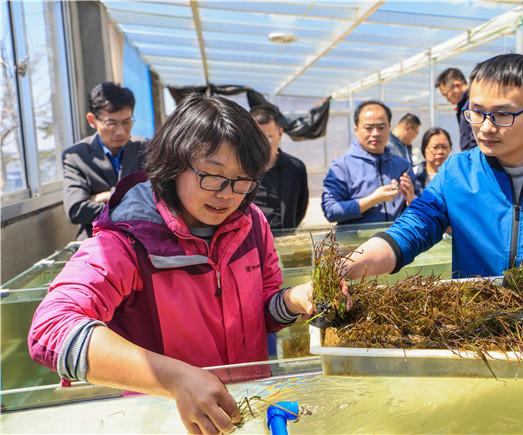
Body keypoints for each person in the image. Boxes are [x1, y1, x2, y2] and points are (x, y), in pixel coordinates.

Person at [29, 95, 316, 434]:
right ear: (175, 163)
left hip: (245, 407)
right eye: (212, 175)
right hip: (167, 419)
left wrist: (293, 300)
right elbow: (49, 329)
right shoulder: (128, 239)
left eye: (243, 180)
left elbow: (263, 312)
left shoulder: (251, 224)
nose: (227, 193)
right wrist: (174, 378)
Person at [344, 54, 523, 310]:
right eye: (477, 111)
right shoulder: (458, 173)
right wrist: (348, 266)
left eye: (503, 115)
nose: (485, 127)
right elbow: (412, 229)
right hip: (480, 329)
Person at [62, 82, 147, 239]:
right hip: (96, 242)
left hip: (141, 238)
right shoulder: (76, 156)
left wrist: (106, 196)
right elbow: (76, 210)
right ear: (92, 120)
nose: (120, 131)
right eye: (111, 123)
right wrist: (130, 202)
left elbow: (157, 198)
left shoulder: (145, 148)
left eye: (127, 122)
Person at [322, 100, 418, 225]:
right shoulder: (341, 167)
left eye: (381, 127)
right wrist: (372, 200)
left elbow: (419, 205)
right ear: (356, 129)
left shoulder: (402, 166)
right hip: (357, 243)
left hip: (397, 241)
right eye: (368, 128)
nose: (375, 133)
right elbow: (331, 210)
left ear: (389, 127)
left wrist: (411, 199)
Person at [250, 105, 309, 230]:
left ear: (280, 133)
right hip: (247, 239)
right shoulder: (240, 168)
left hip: (283, 240)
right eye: (258, 139)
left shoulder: (295, 169)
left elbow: (300, 208)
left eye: (269, 138)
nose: (264, 144)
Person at [435, 68, 477, 151]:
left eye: (446, 94)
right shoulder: (462, 105)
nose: (447, 99)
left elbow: (474, 139)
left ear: (457, 85)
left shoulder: (473, 103)